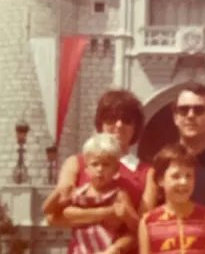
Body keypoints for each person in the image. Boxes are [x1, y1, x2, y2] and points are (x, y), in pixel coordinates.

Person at [43, 90, 157, 252]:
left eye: (127, 120)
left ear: (135, 127)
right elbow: (53, 217)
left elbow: (143, 227)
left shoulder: (147, 173)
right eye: (111, 118)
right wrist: (107, 213)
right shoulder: (77, 163)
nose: (119, 125)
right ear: (100, 123)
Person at [44, 133, 139, 254]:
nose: (100, 169)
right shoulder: (80, 193)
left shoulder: (118, 194)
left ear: (116, 169)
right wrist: (59, 191)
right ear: (87, 169)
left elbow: (136, 227)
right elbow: (49, 212)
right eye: (95, 164)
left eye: (106, 165)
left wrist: (126, 215)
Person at [138, 143, 205, 254]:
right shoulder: (148, 222)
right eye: (176, 176)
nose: (184, 182)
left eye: (189, 176)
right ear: (160, 180)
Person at [172, 82, 205, 206]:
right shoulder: (163, 161)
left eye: (199, 110)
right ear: (175, 118)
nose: (190, 115)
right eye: (183, 110)